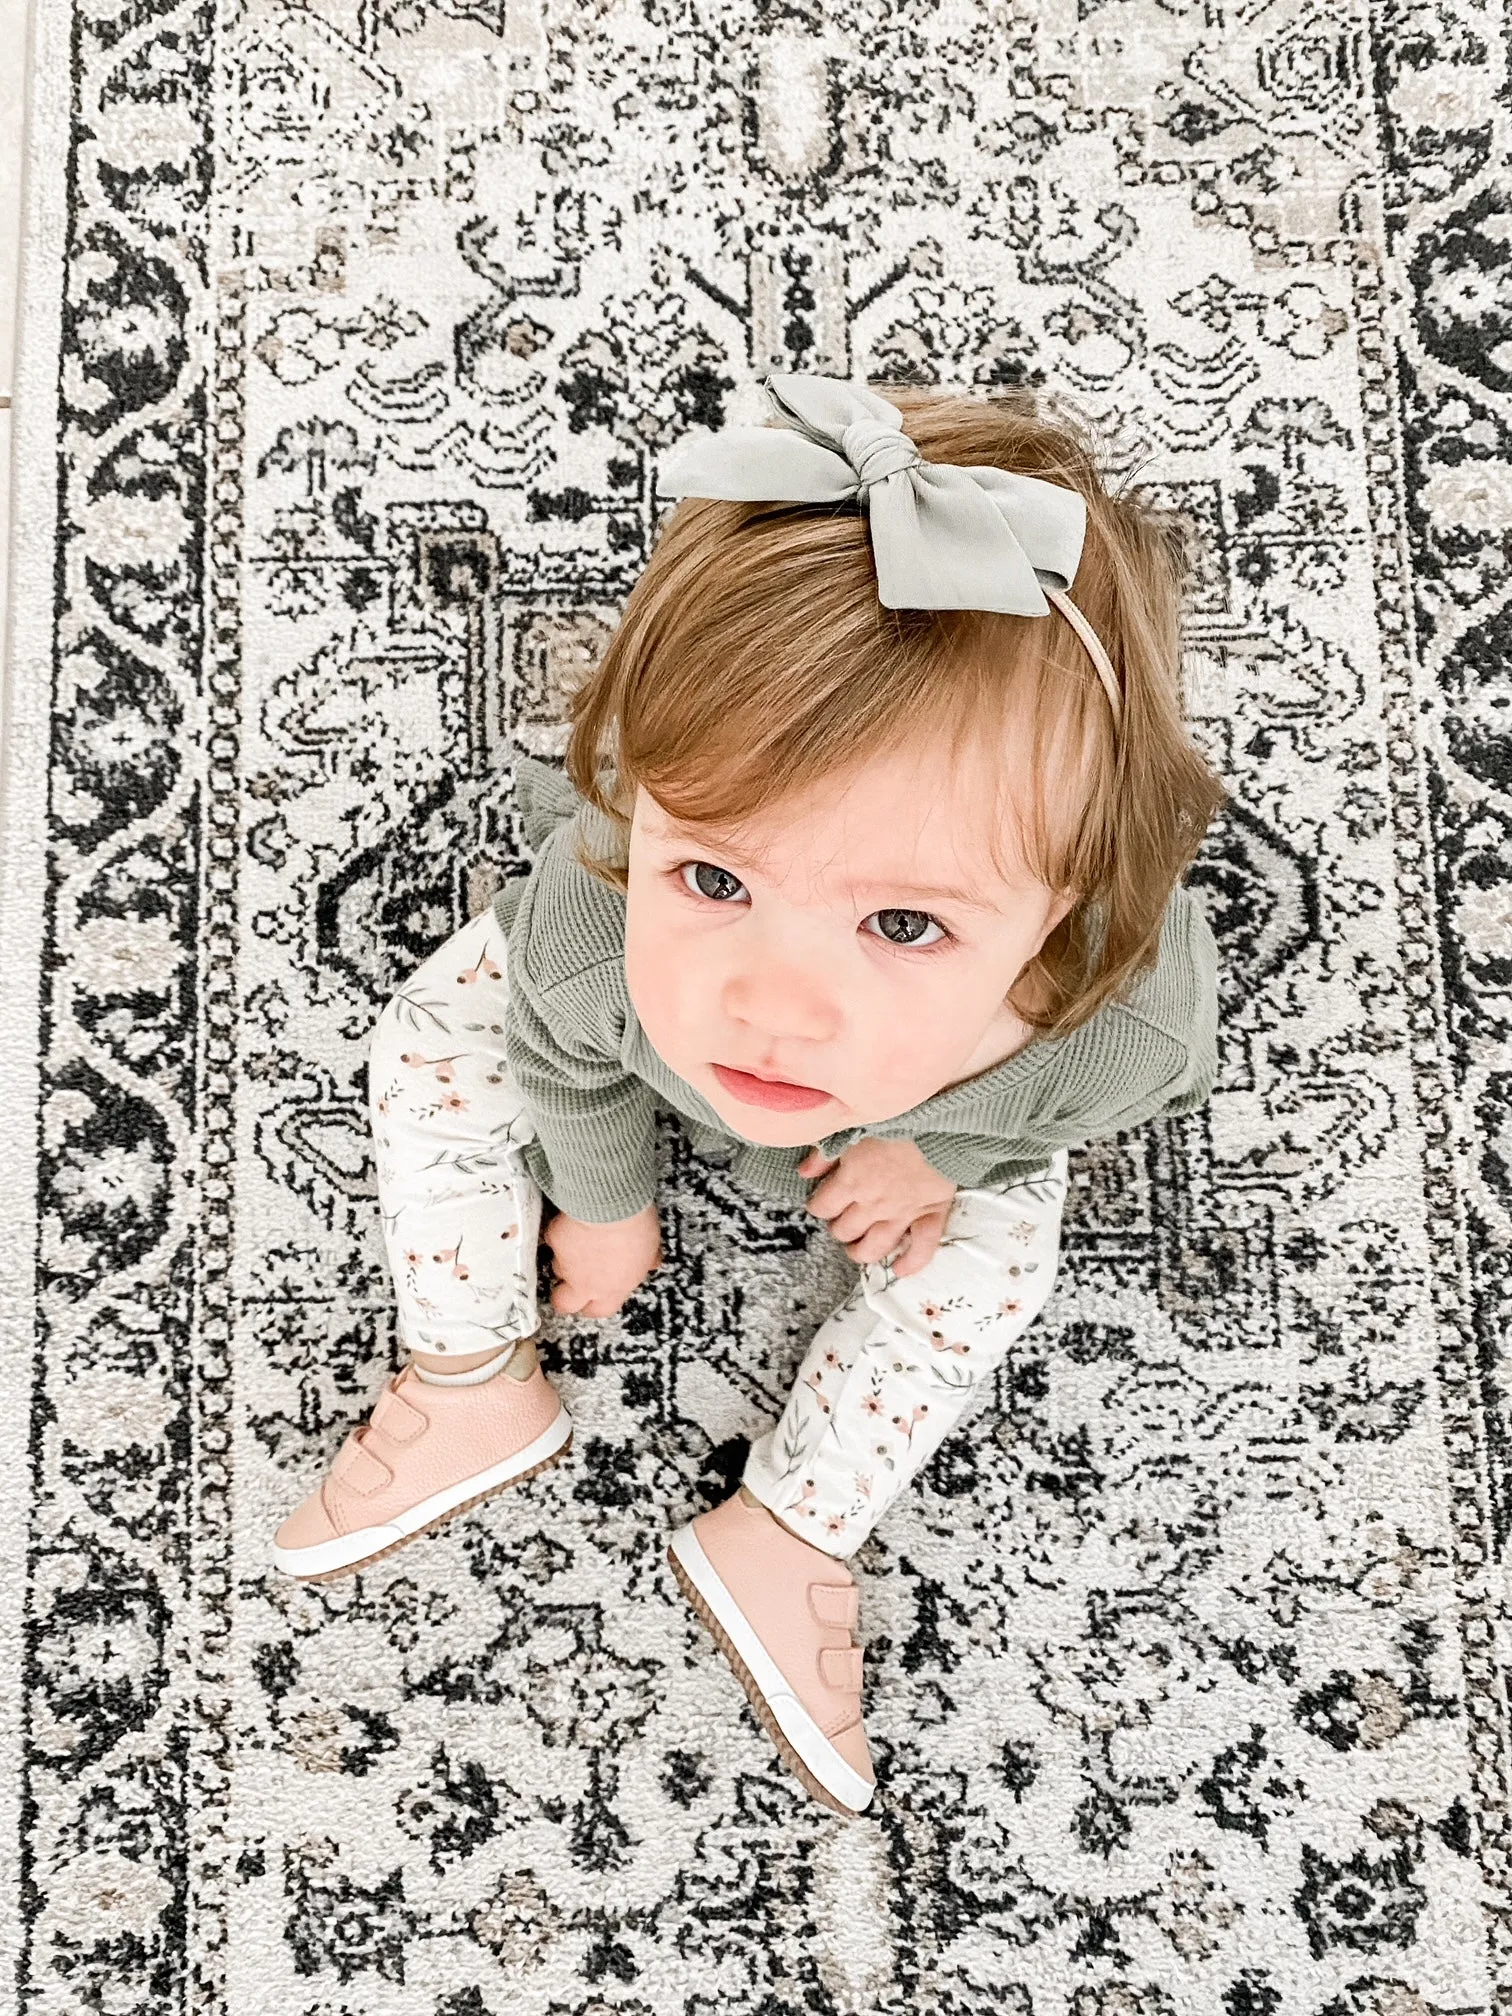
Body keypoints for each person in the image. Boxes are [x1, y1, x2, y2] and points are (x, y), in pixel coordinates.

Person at [272, 371, 1228, 1819]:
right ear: (640, 799)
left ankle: (794, 1524)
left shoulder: (1114, 1008)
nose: (772, 1009)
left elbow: (1110, 1091)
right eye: (712, 875)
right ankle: (470, 1368)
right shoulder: (593, 917)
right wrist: (603, 1206)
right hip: (619, 1034)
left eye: (906, 923)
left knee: (992, 1266)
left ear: (1065, 911)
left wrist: (941, 1146)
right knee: (434, 1038)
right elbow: (567, 1055)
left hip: (932, 1117)